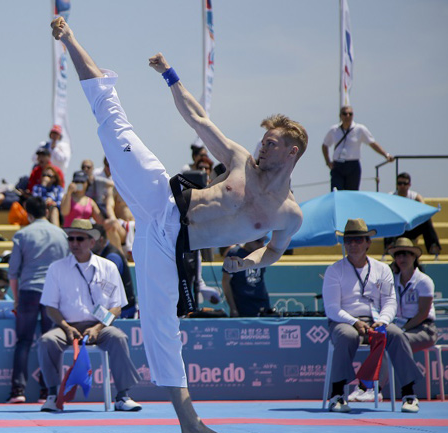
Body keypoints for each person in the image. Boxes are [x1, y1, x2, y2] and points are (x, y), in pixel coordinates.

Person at [52, 17, 307, 432]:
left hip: (172, 247)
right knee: (114, 122)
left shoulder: (288, 213)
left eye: (272, 141)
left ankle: (189, 422)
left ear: (292, 152)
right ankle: (70, 39)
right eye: (263, 138)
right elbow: (199, 119)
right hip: (164, 201)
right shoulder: (241, 160)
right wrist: (170, 75)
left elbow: (274, 250)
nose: (263, 143)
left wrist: (247, 264)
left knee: (162, 328)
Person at [38, 219, 142, 412]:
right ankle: (52, 394)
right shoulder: (56, 268)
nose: (74, 243)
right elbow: (50, 308)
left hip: (99, 325)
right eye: (71, 239)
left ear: (92, 242)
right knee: (47, 341)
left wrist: (98, 327)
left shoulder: (108, 267)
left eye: (80, 239)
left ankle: (122, 396)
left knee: (119, 337)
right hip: (65, 325)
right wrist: (66, 328)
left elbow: (116, 307)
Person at [321, 219, 422, 413]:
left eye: (358, 240)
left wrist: (383, 321)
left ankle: (409, 394)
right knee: (347, 335)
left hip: (375, 320)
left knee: (397, 334)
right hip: (344, 321)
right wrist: (354, 322)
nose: (353, 245)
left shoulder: (382, 269)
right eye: (349, 240)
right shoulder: (334, 270)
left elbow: (391, 301)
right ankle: (337, 395)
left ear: (368, 242)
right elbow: (332, 308)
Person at [6, 196, 69, 404]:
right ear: (47, 211)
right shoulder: (60, 234)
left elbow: (13, 271)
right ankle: (48, 391)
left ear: (28, 213)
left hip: (29, 292)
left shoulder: (22, 234)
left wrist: (16, 299)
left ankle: (18, 391)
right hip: (53, 293)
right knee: (50, 342)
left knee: (23, 341)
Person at [321, 106, 394, 191]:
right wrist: (328, 162)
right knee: (336, 191)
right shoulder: (334, 130)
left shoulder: (360, 129)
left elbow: (372, 143)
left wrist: (386, 154)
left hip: (353, 165)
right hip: (338, 165)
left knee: (352, 193)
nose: (347, 116)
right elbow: (325, 145)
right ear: (340, 116)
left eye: (350, 114)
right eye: (345, 114)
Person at [388, 238, 438, 354]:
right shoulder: (392, 280)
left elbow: (423, 313)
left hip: (424, 328)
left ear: (414, 257)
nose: (401, 259)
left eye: (405, 255)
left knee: (398, 341)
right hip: (400, 327)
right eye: (398, 255)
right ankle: (388, 373)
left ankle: (408, 373)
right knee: (384, 341)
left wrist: (403, 329)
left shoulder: (423, 281)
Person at [384, 172, 441, 256]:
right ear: (397, 185)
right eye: (400, 183)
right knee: (390, 220)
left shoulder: (414, 196)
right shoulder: (390, 196)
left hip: (410, 228)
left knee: (426, 220)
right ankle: (389, 245)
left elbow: (424, 210)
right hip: (397, 229)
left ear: (409, 184)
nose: (402, 186)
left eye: (405, 183)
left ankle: (433, 246)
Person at [92, 223, 136, 318]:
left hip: (123, 311)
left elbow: (109, 292)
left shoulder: (112, 257)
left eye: (91, 241)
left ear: (101, 240)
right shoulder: (99, 255)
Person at [221, 237, 271, 317]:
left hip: (262, 303)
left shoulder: (262, 253)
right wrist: (233, 308)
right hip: (242, 304)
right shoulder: (235, 253)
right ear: (249, 239)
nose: (262, 245)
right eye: (258, 241)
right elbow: (225, 282)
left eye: (264, 241)